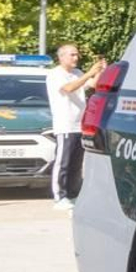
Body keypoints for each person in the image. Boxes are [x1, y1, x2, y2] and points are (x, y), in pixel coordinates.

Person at [46, 44, 105, 210]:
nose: (76, 58)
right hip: (65, 124)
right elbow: (69, 88)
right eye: (72, 55)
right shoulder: (56, 74)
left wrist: (100, 71)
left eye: (77, 55)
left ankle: (72, 194)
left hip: (79, 124)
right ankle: (59, 196)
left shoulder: (77, 73)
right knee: (63, 162)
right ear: (61, 57)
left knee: (76, 164)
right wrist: (89, 73)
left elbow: (93, 84)